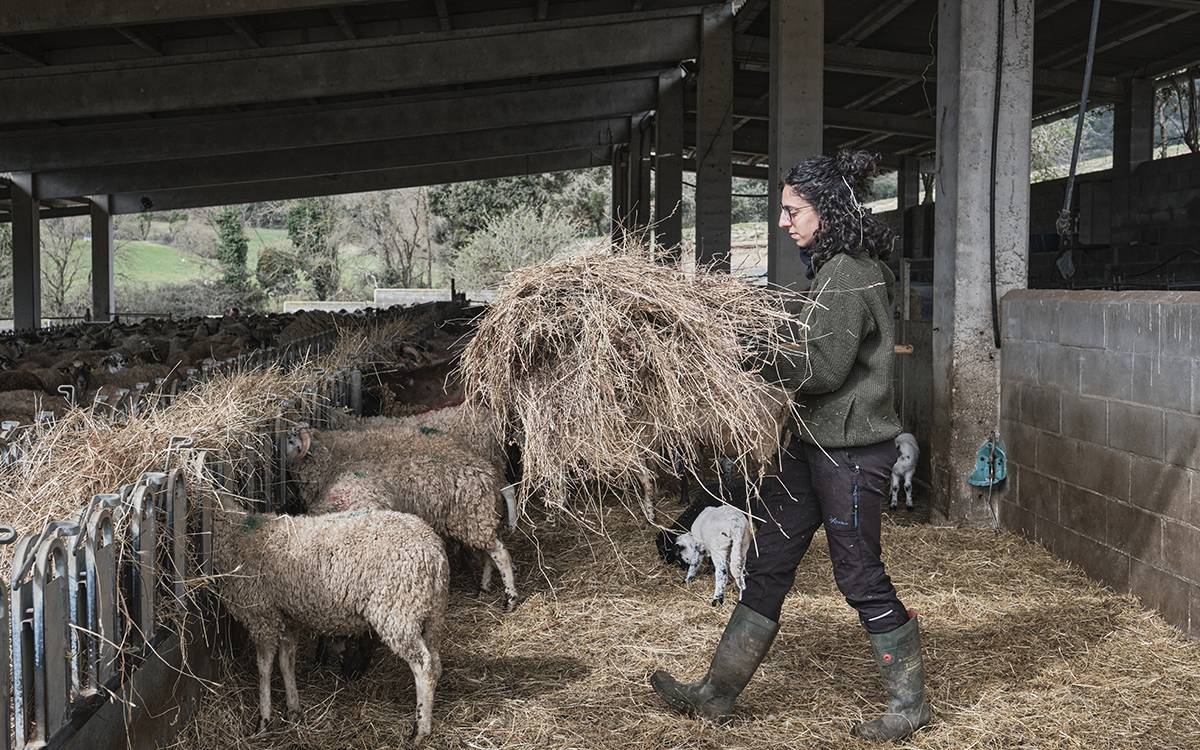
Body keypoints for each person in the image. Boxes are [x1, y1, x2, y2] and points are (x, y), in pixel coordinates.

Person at [649, 150, 931, 742]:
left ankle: (908, 705)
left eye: (793, 210)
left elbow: (825, 369)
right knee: (769, 560)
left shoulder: (848, 272)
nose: (784, 221)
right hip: (814, 443)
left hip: (851, 451)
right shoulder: (837, 268)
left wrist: (753, 356)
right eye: (783, 210)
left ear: (826, 211)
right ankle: (716, 693)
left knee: (858, 574)